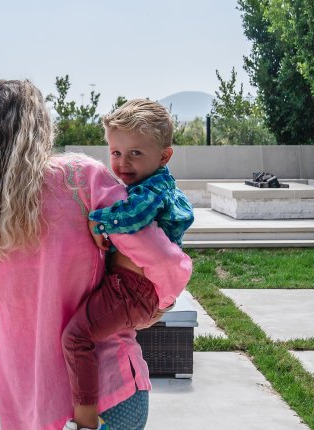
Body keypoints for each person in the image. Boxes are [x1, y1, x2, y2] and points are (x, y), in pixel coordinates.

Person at [0, 80, 192, 430]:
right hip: (109, 392)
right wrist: (159, 304)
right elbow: (165, 260)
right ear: (40, 129)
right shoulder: (79, 180)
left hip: (26, 409)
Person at [61, 99, 195, 430]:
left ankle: (86, 420)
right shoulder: (142, 185)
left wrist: (98, 221)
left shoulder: (154, 188)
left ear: (164, 156)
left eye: (136, 153)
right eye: (116, 152)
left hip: (131, 290)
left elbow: (132, 219)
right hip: (130, 289)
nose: (123, 163)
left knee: (76, 337)